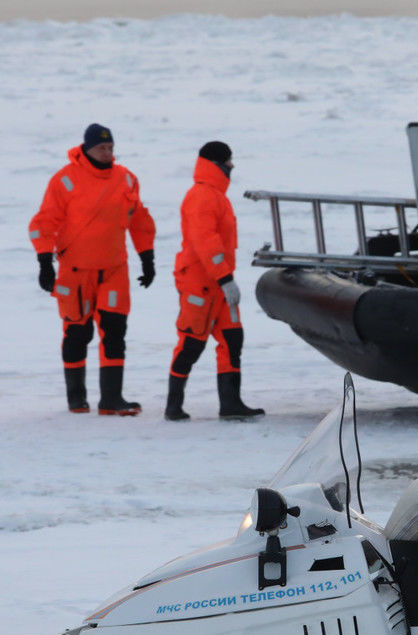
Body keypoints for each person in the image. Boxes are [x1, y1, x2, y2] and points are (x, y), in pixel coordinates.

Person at [29, 123, 156, 415]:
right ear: (87, 148)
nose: (108, 152)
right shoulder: (65, 181)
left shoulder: (127, 179)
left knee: (115, 331)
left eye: (111, 147)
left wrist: (147, 258)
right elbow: (43, 223)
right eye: (102, 148)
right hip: (75, 272)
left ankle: (111, 399)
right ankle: (76, 398)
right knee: (77, 332)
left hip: (114, 270)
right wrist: (44, 262)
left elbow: (140, 222)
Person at [165, 141, 264, 421]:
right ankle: (173, 406)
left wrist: (225, 281)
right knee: (191, 343)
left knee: (232, 339)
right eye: (228, 160)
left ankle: (231, 404)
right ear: (216, 164)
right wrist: (225, 278)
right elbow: (205, 242)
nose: (232, 166)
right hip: (201, 284)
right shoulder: (201, 196)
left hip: (220, 286)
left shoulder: (217, 196)